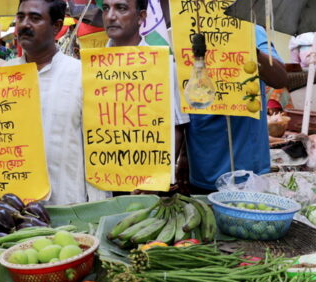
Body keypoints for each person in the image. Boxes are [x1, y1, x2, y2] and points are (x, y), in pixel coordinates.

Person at [5, 0, 107, 205]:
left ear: (57, 26)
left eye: (35, 18)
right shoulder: (1, 78)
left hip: (69, 209)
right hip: (14, 210)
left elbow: (100, 147)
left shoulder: (82, 76)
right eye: (21, 17)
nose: (24, 24)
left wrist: (98, 205)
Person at [177, 25, 288, 193]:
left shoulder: (251, 31)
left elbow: (279, 78)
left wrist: (249, 49)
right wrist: (184, 156)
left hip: (249, 169)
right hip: (203, 167)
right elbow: (185, 103)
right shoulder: (186, 30)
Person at [101, 0, 190, 194]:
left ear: (141, 17)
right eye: (106, 8)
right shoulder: (89, 67)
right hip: (101, 183)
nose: (110, 16)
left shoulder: (164, 65)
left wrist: (154, 180)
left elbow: (177, 127)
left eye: (121, 8)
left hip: (147, 188)